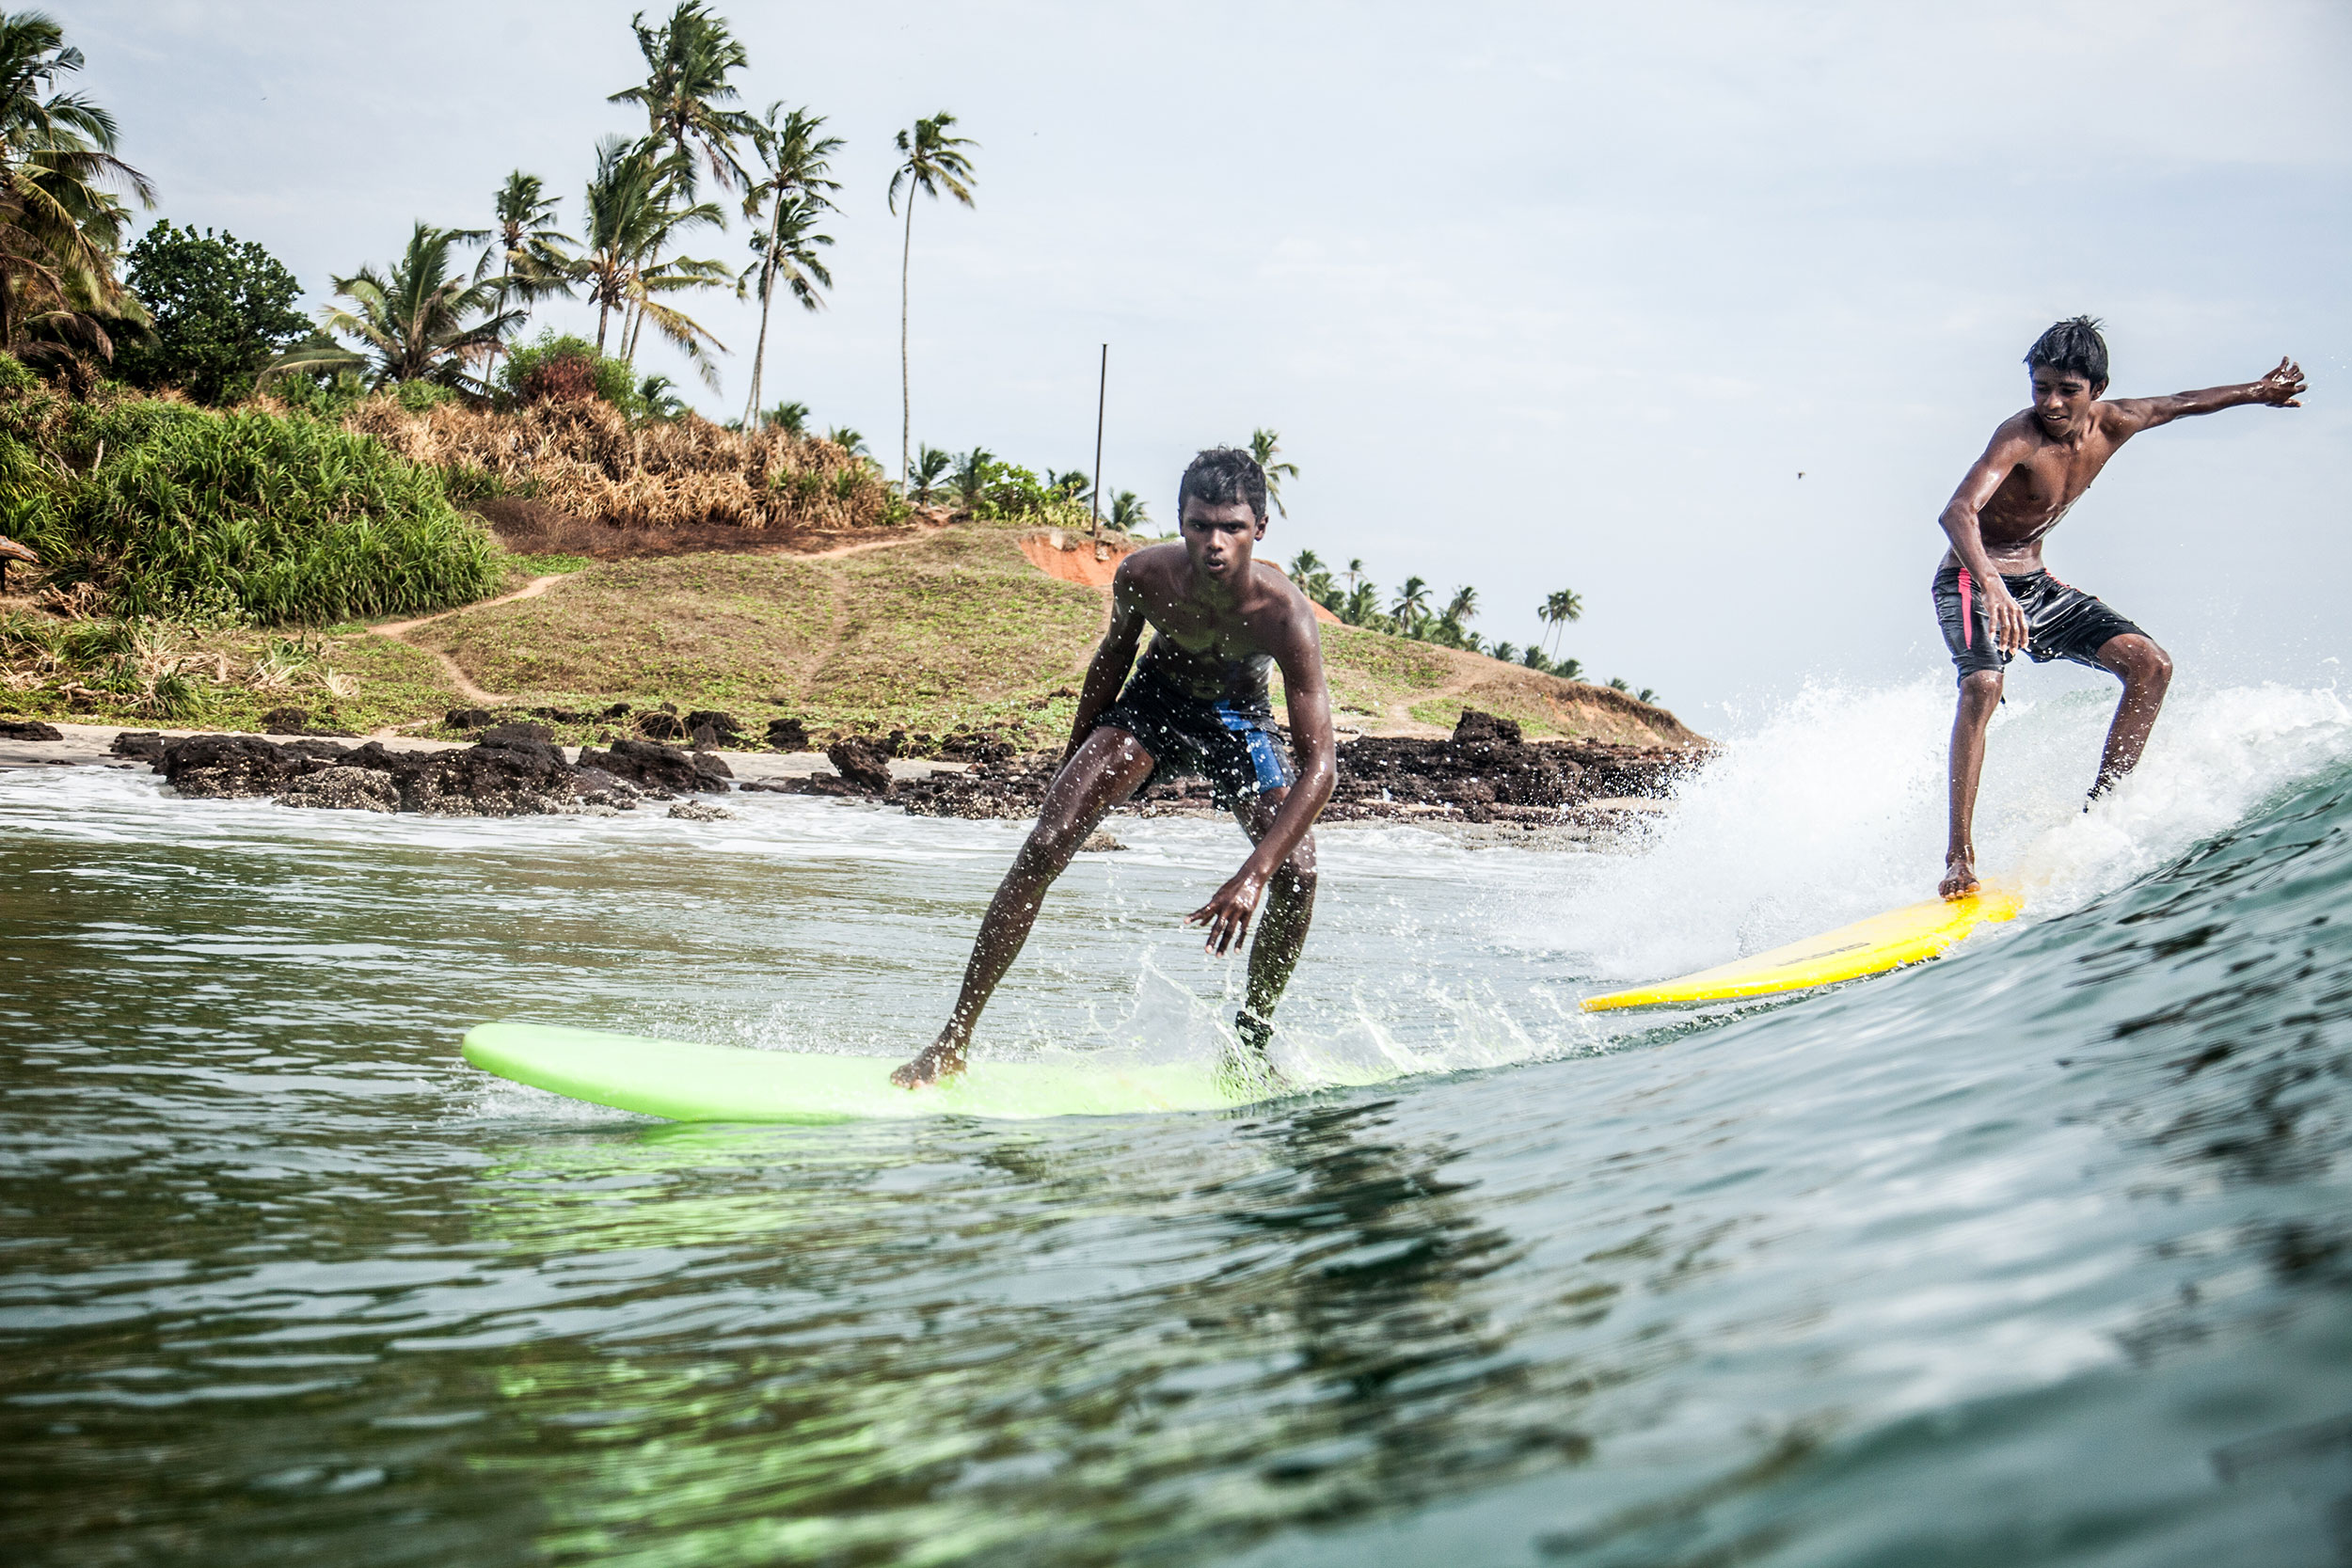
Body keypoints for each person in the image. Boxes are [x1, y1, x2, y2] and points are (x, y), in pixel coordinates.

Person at [892, 447, 1337, 1087]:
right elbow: (1112, 660)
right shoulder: (1143, 577)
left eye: (1232, 527)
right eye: (1199, 524)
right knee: (1045, 841)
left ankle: (1248, 1046)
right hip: (1154, 703)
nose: (1215, 542)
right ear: (1180, 521)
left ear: (1259, 529)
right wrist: (1071, 768)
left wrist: (1251, 876)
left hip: (1239, 719)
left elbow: (1321, 767)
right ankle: (952, 1042)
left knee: (1298, 872)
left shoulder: (1284, 615)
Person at [1933, 316, 2305, 898]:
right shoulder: (2019, 436)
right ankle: (1959, 857)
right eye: (2041, 388)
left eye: (2067, 391)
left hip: (2037, 584)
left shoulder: (2120, 421)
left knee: (2150, 664)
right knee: (1982, 684)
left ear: (2096, 391)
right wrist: (1993, 586)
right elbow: (1958, 513)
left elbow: (2183, 402)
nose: (2051, 403)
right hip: (1971, 578)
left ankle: (2103, 816)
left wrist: (2257, 391)